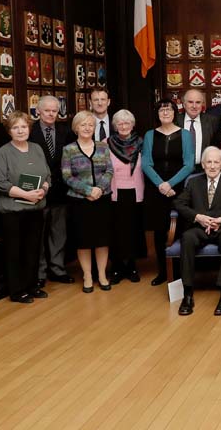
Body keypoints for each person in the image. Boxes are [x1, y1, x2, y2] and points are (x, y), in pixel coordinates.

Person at [174, 146, 221, 316]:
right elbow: (179, 203)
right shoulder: (193, 182)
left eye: (217, 162)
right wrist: (198, 217)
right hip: (199, 227)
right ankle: (187, 294)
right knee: (187, 238)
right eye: (209, 162)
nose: (212, 166)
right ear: (203, 164)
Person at [0, 111, 51, 303]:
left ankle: (32, 285)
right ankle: (17, 291)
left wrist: (44, 188)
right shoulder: (2, 153)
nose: (20, 131)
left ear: (29, 128)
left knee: (33, 249)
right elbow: (1, 183)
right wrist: (26, 194)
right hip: (13, 211)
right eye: (15, 127)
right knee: (15, 251)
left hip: (36, 208)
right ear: (9, 131)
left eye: (24, 127)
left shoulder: (37, 148)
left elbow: (47, 175)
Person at [141, 99, 195, 286]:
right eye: (162, 110)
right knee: (159, 231)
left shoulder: (185, 135)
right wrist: (161, 185)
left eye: (169, 110)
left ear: (175, 113)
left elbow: (189, 164)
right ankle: (163, 271)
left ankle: (180, 272)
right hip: (156, 189)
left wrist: (170, 184)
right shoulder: (149, 135)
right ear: (157, 114)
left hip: (178, 188)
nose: (165, 113)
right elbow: (146, 163)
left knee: (180, 229)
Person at [61, 110, 114, 293]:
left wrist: (99, 189)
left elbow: (109, 171)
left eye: (90, 125)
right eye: (83, 125)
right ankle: (87, 276)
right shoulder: (69, 150)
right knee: (83, 241)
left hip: (102, 199)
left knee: (102, 239)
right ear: (76, 127)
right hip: (80, 202)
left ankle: (101, 274)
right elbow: (67, 176)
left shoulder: (103, 147)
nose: (87, 128)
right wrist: (88, 191)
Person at [29, 95, 75, 286]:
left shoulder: (66, 132)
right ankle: (40, 273)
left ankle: (57, 268)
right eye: (46, 110)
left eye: (54, 110)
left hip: (60, 191)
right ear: (38, 111)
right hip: (37, 190)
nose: (50, 114)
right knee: (38, 233)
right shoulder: (29, 132)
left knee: (59, 232)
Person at [108, 109, 145, 284]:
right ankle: (116, 267)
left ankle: (131, 266)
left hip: (135, 192)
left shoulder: (142, 143)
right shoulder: (106, 143)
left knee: (133, 230)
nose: (123, 126)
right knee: (116, 231)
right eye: (120, 123)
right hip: (115, 193)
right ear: (115, 126)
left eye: (127, 123)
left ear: (133, 125)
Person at [177, 88, 218, 170]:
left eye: (198, 102)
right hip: (179, 170)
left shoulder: (212, 121)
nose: (194, 106)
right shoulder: (175, 121)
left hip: (204, 170)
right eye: (190, 102)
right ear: (184, 104)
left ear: (202, 104)